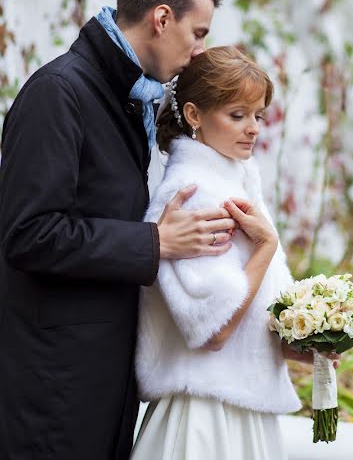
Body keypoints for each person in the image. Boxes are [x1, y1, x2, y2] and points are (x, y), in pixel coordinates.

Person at [0, 0, 233, 459]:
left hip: (87, 395)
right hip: (41, 403)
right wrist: (156, 242)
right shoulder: (59, 93)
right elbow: (30, 233)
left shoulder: (126, 99)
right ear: (162, 18)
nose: (200, 50)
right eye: (198, 33)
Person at [132, 46, 321, 460]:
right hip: (202, 416)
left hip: (238, 408)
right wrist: (266, 247)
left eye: (257, 115)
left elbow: (245, 312)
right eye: (237, 115)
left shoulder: (235, 184)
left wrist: (303, 340)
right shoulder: (194, 194)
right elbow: (213, 328)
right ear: (195, 115)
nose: (253, 128)